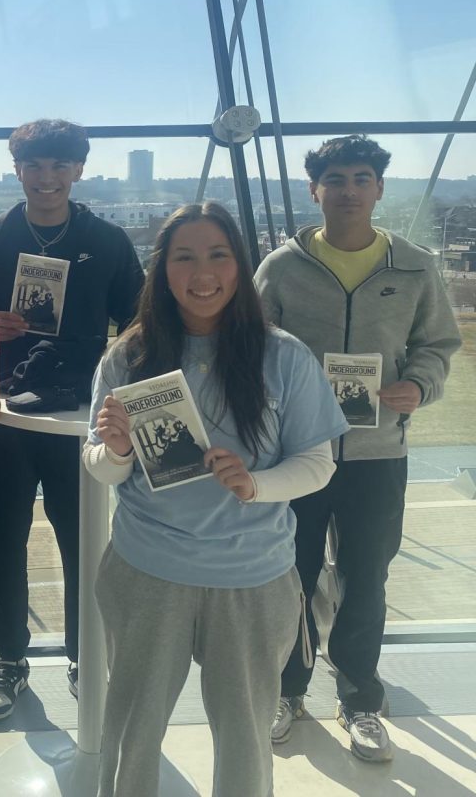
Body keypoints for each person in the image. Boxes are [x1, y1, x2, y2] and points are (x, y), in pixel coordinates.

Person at [85, 202, 348, 797]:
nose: (202, 273)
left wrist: (257, 484)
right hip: (147, 572)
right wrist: (118, 450)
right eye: (184, 257)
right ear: (162, 269)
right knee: (131, 735)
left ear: (240, 263)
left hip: (253, 578)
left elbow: (317, 463)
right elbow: (98, 467)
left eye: (217, 255)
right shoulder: (128, 357)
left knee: (246, 736)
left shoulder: (283, 357)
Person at [255, 135, 461, 761]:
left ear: (378, 188)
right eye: (335, 179)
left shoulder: (416, 265)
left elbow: (437, 344)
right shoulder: (281, 268)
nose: (348, 190)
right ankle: (285, 690)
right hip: (298, 454)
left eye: (361, 178)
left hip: (378, 453)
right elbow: (254, 348)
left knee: (367, 575)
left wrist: (417, 384)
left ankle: (359, 697)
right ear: (313, 190)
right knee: (289, 575)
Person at [0, 119, 143, 717]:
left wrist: (115, 371)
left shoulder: (108, 242)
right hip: (4, 416)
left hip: (81, 421)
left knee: (83, 541)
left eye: (60, 165)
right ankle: (10, 659)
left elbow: (139, 324)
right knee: (2, 543)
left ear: (79, 171)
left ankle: (85, 655)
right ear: (18, 171)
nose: (47, 177)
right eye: (35, 166)